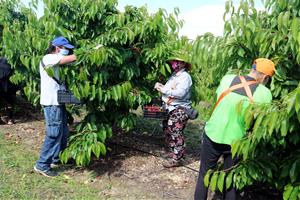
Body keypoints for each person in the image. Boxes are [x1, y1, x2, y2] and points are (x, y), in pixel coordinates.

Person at [194, 58, 276, 200]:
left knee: (204, 176)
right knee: (230, 180)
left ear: (252, 68)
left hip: (213, 133)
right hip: (237, 141)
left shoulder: (227, 79)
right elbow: (259, 120)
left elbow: (220, 97)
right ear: (265, 77)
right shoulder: (265, 94)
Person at [34, 36, 76, 177]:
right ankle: (42, 164)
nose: (67, 52)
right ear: (57, 48)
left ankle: (57, 158)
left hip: (58, 101)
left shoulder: (55, 60)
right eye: (66, 49)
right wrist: (90, 51)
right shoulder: (48, 58)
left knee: (63, 131)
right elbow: (71, 59)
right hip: (51, 103)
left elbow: (72, 62)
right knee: (54, 133)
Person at [154, 56, 193, 168]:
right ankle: (173, 153)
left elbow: (179, 93)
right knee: (167, 130)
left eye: (178, 62)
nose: (175, 64)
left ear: (183, 64)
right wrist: (160, 86)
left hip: (180, 109)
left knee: (175, 132)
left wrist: (163, 90)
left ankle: (177, 159)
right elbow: (169, 89)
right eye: (174, 62)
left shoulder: (185, 77)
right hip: (170, 108)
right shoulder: (174, 76)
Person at [0, 57, 17, 125]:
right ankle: (10, 119)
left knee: (8, 103)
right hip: (9, 87)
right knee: (9, 103)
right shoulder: (7, 61)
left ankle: (8, 119)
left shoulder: (5, 61)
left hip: (4, 86)